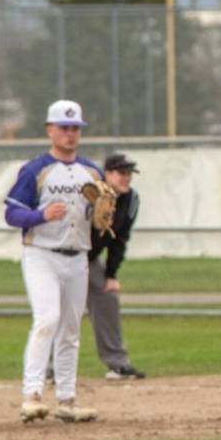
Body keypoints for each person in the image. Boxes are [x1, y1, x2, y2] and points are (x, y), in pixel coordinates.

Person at [4, 100, 100, 423]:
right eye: (64, 128)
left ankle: (67, 400)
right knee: (47, 319)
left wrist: (104, 216)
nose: (70, 134)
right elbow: (12, 213)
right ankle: (31, 396)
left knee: (71, 330)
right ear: (50, 130)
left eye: (75, 128)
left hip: (77, 257)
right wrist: (41, 215)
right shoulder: (35, 170)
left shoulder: (92, 172)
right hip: (42, 254)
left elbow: (98, 218)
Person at [88, 153, 145, 380]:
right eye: (121, 173)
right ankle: (49, 369)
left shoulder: (130, 199)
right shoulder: (90, 193)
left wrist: (111, 274)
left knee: (108, 299)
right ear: (108, 174)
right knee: (59, 313)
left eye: (129, 174)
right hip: (67, 258)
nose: (126, 178)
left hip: (91, 260)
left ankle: (117, 364)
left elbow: (120, 239)